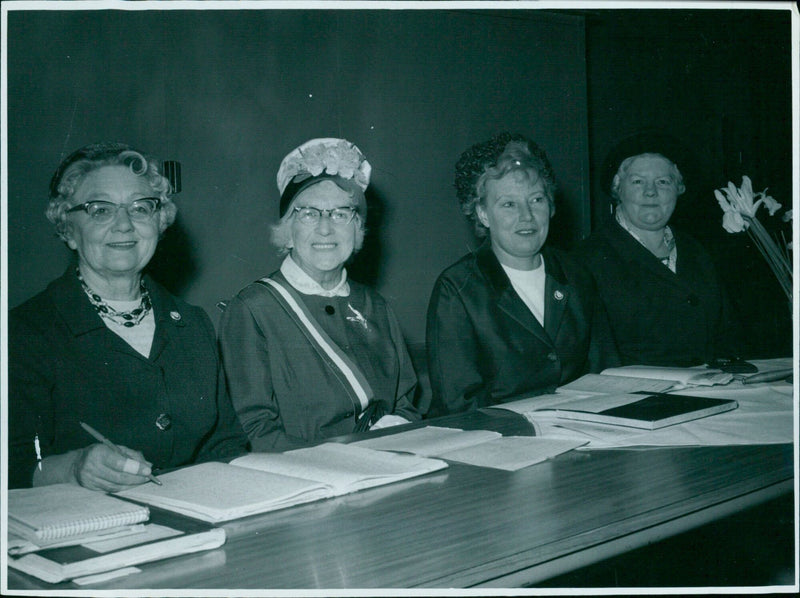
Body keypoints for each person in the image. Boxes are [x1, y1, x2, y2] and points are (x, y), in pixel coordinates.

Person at [8, 142, 249, 491]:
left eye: (140, 208)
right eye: (100, 210)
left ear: (160, 221)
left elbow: (225, 444)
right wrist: (75, 468)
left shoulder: (193, 323)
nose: (124, 225)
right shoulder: (25, 331)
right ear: (68, 229)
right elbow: (13, 464)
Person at [219, 138, 420, 452]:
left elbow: (405, 403)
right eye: (309, 214)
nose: (326, 229)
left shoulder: (376, 306)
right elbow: (254, 431)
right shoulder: (253, 310)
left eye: (341, 214)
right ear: (287, 229)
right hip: (303, 479)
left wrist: (396, 435)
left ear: (358, 229)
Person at [426, 132, 618, 416]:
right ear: (482, 214)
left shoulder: (577, 276)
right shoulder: (457, 289)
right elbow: (459, 405)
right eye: (508, 204)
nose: (527, 216)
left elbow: (607, 376)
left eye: (537, 200)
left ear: (551, 206)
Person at [576, 147, 741, 366]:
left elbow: (727, 335)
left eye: (663, 182)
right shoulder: (587, 259)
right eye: (637, 182)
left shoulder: (699, 251)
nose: (651, 192)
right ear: (617, 189)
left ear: (678, 189)